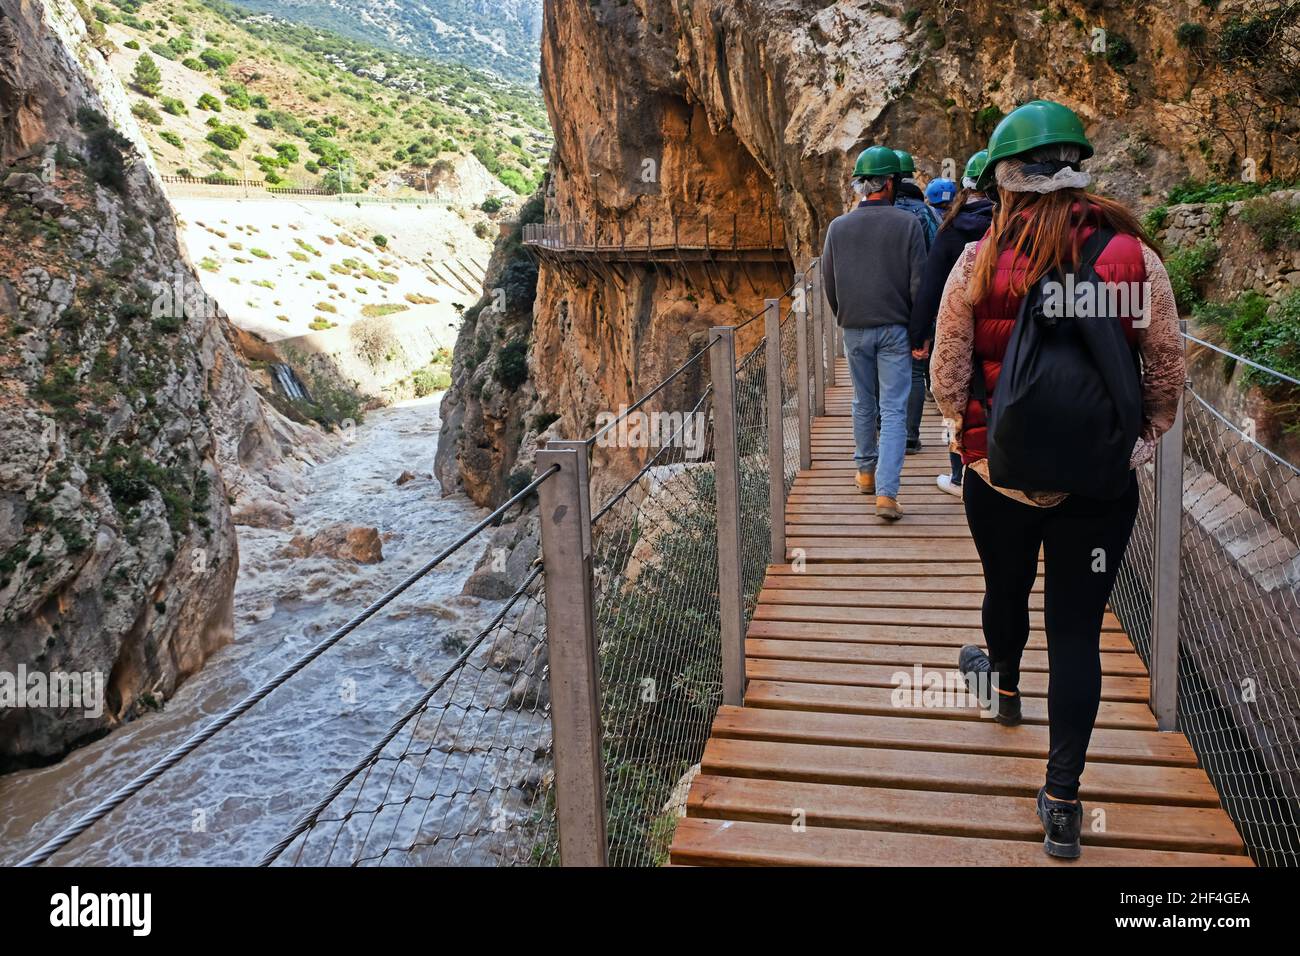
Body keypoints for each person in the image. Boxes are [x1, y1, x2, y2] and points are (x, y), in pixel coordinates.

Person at [930, 100, 1184, 859]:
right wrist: (1135, 440)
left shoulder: (976, 262)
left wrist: (969, 444)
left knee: (1005, 589)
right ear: (1079, 172)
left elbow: (949, 372)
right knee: (1078, 632)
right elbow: (1164, 367)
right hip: (1098, 490)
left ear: (1004, 179)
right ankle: (1064, 798)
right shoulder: (1134, 258)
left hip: (999, 478)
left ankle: (1002, 684)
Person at [821, 145, 926, 521]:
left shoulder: (838, 228)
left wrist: (844, 316)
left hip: (854, 328)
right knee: (894, 410)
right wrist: (920, 335)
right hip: (896, 329)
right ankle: (886, 493)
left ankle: (864, 472)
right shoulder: (908, 225)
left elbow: (829, 283)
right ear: (891, 182)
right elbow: (919, 285)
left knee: (862, 402)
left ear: (861, 185)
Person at [910, 150, 994, 498]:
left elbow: (930, 288)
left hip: (955, 330)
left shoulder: (952, 228)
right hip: (998, 333)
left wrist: (919, 335)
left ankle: (959, 473)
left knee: (952, 400)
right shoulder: (1005, 225)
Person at [892, 148, 938, 455]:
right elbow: (936, 260)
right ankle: (909, 436)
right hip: (918, 305)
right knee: (915, 372)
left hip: (883, 304)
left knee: (882, 370)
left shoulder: (875, 211)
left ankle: (885, 429)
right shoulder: (926, 213)